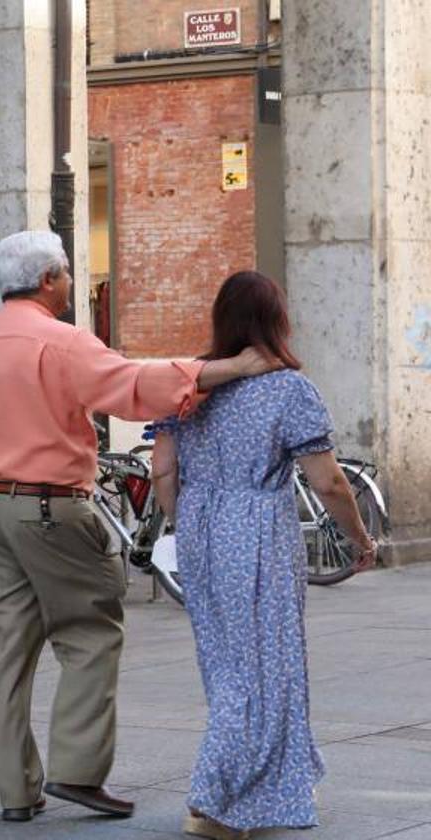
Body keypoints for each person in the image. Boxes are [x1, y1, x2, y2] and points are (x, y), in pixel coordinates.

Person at [0, 231, 278, 825]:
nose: (72, 283)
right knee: (90, 632)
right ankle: (77, 770)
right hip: (47, 506)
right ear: (49, 279)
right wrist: (228, 368)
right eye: (68, 274)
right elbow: (131, 386)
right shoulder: (62, 341)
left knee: (6, 652)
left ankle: (17, 792)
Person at [149, 271, 377, 840]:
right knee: (262, 668)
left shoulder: (191, 385)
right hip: (256, 529)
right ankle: (214, 802)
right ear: (277, 320)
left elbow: (162, 471)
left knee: (226, 665)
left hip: (199, 527)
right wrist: (360, 540)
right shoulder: (289, 390)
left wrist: (185, 524)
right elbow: (328, 484)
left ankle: (283, 778)